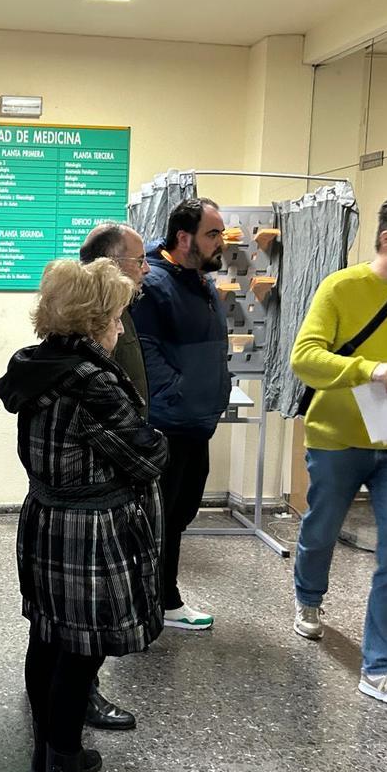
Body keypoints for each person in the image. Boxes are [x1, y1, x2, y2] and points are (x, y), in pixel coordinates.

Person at [0, 259, 168, 772]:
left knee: (47, 639)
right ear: (98, 320)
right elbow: (147, 456)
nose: (121, 328)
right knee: (80, 654)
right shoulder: (92, 381)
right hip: (89, 532)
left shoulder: (38, 367)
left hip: (46, 517)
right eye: (118, 316)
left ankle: (49, 756)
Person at [290, 193, 387, 719]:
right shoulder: (341, 287)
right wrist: (369, 368)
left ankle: (383, 668)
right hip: (338, 439)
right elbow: (305, 358)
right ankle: (308, 596)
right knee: (320, 531)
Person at [132, 198, 231, 631]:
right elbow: (147, 354)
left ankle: (155, 597)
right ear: (183, 237)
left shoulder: (199, 279)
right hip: (170, 423)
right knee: (164, 517)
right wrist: (177, 394)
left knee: (181, 512)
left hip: (197, 421)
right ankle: (162, 601)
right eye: (213, 234)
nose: (220, 243)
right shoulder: (153, 283)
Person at [77, 221, 152, 731]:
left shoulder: (119, 312)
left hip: (115, 478)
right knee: (83, 608)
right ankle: (78, 697)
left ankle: (73, 692)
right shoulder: (88, 324)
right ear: (110, 265)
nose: (146, 269)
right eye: (138, 261)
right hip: (96, 491)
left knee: (80, 609)